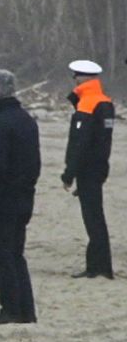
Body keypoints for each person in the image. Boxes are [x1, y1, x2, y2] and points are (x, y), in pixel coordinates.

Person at [0, 69, 40, 325]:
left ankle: (11, 309)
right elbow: (34, 164)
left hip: (3, 200)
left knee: (3, 256)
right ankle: (26, 310)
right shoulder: (26, 120)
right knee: (16, 254)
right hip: (24, 196)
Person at [63, 60, 115, 279]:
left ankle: (98, 266)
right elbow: (104, 142)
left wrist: (69, 174)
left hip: (87, 170)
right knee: (96, 217)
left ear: (84, 78)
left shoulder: (87, 103)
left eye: (76, 76)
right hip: (98, 168)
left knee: (93, 219)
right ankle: (101, 265)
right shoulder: (105, 103)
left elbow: (80, 142)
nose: (74, 80)